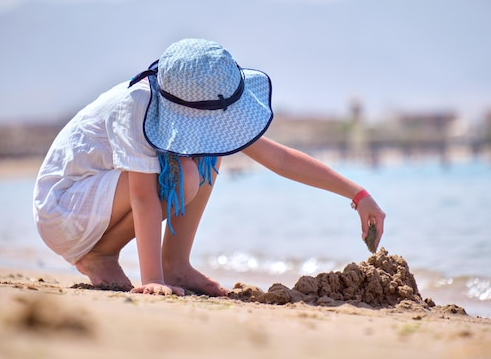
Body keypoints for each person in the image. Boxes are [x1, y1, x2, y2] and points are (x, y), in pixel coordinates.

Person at [33, 38, 386, 297]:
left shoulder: (197, 95)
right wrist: (151, 280)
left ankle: (177, 264)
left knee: (208, 156)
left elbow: (278, 159)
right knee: (185, 174)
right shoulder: (136, 104)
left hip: (100, 203)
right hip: (64, 208)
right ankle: (102, 256)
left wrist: (358, 194)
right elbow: (142, 196)